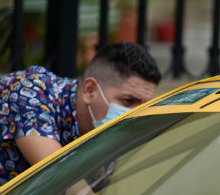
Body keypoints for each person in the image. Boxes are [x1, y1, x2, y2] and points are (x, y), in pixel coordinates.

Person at [0, 42, 161, 186]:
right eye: (127, 101)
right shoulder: (30, 92)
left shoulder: (104, 141)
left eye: (144, 106)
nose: (136, 115)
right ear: (90, 90)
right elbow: (60, 178)